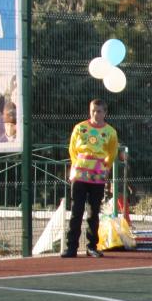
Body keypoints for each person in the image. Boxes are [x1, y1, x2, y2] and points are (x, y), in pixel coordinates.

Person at [61, 98, 120, 258]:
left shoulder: (110, 132)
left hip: (97, 174)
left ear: (105, 113)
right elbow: (72, 149)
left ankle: (92, 246)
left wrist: (105, 167)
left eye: (99, 111)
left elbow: (112, 152)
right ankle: (71, 247)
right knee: (76, 210)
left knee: (93, 212)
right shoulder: (80, 128)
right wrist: (77, 164)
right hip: (80, 173)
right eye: (93, 110)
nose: (95, 114)